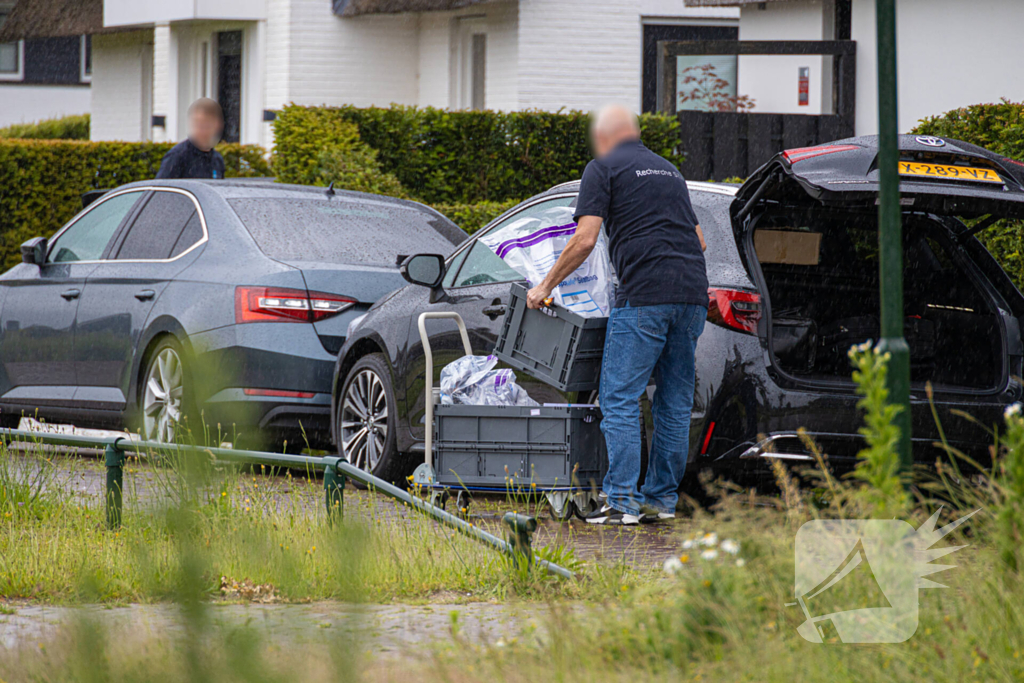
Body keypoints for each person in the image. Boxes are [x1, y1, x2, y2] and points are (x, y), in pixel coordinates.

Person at [526, 104, 707, 526]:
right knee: (674, 404)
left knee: (620, 400)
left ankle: (622, 501)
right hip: (691, 296)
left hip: (645, 296)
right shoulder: (668, 171)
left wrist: (545, 286)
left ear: (605, 138)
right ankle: (660, 501)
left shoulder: (602, 168)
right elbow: (697, 240)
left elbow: (585, 239)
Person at [156, 98, 226, 180]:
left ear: (217, 127)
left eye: (207, 126)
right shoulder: (178, 156)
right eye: (199, 125)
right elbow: (162, 188)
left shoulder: (217, 160)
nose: (203, 131)